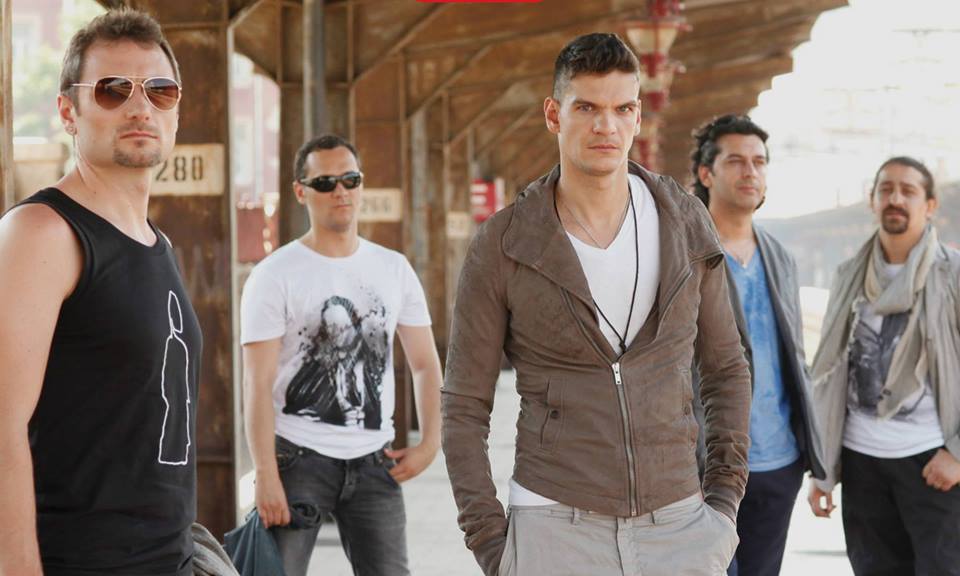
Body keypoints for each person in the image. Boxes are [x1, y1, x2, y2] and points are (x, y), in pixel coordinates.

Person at [442, 32, 752, 576]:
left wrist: (723, 504)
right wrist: (492, 544)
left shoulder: (684, 222)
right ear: (554, 114)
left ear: (637, 116)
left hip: (677, 523)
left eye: (621, 109)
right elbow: (465, 403)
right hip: (554, 524)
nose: (606, 126)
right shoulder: (506, 243)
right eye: (586, 107)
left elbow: (726, 367)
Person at [0, 9, 206, 575]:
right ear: (68, 111)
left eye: (160, 90)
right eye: (113, 90)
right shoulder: (42, 233)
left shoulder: (156, 241)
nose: (141, 107)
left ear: (176, 111)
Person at [240, 134, 443, 576]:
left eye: (350, 180)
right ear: (301, 192)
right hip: (297, 460)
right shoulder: (274, 275)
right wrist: (265, 474)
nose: (340, 191)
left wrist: (431, 443)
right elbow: (256, 384)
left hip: (375, 463)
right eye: (325, 182)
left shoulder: (393, 268)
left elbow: (425, 363)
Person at [808, 156, 960, 575]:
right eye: (886, 189)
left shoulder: (953, 275)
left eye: (908, 191)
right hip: (862, 462)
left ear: (930, 205)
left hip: (932, 461)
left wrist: (957, 454)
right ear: (872, 200)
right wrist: (823, 469)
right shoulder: (849, 275)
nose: (896, 198)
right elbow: (830, 373)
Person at [690, 114, 826, 576]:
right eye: (736, 161)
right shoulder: (683, 253)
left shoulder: (779, 256)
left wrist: (814, 458)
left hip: (777, 463)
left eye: (759, 161)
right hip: (704, 467)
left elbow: (795, 360)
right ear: (707, 173)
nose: (750, 171)